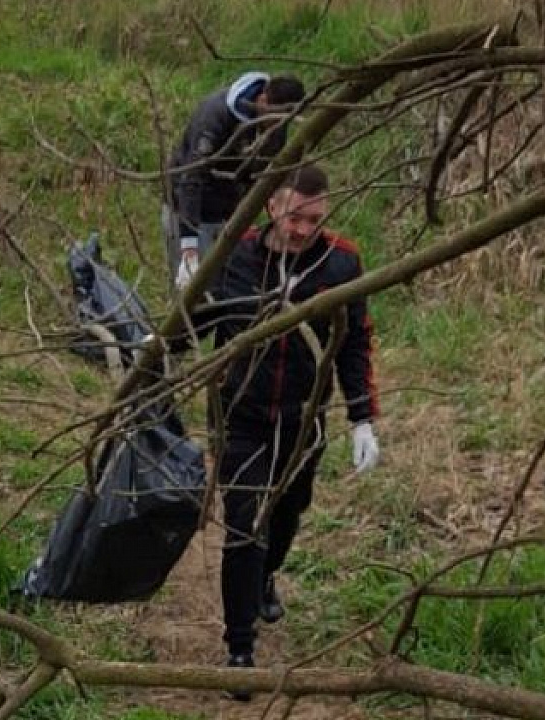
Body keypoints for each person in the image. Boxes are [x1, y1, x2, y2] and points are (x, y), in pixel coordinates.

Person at [177, 164, 381, 700]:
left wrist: (362, 418)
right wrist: (159, 345)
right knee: (245, 524)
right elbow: (203, 321)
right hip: (239, 415)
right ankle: (239, 650)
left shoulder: (342, 262)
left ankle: (266, 575)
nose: (303, 230)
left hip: (302, 417)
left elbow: (355, 343)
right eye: (295, 218)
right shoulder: (234, 256)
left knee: (287, 512)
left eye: (315, 220)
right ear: (272, 207)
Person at [164, 72, 307, 292]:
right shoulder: (215, 117)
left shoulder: (277, 124)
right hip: (190, 210)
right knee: (193, 291)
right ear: (263, 100)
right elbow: (191, 178)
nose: (278, 126)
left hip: (229, 214)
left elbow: (266, 177)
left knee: (227, 288)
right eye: (275, 119)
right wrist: (189, 249)